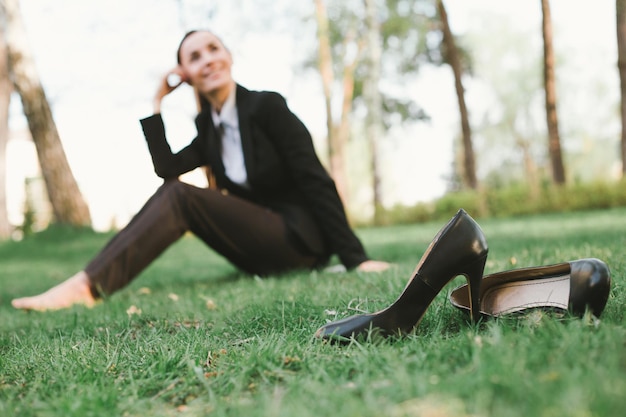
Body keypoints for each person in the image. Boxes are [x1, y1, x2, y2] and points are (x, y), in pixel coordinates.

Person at [11, 30, 390, 311]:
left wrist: (355, 258)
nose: (207, 59)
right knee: (178, 192)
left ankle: (87, 286)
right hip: (255, 253)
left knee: (182, 197)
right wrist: (157, 102)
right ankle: (89, 280)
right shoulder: (208, 130)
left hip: (299, 241)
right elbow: (168, 170)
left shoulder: (267, 107)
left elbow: (315, 179)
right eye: (194, 57)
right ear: (186, 73)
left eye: (213, 49)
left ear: (228, 57)